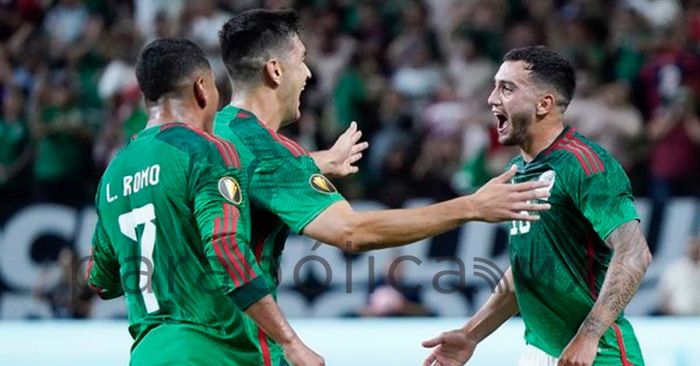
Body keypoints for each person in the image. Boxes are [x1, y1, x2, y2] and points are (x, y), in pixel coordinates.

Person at [215, 10, 551, 365]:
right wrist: (472, 206)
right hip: (237, 345)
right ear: (275, 70)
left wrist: (311, 163)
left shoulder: (216, 133)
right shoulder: (267, 150)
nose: (309, 73)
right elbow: (352, 231)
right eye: (302, 60)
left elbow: (245, 177)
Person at [86, 38, 322, 366]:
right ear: (202, 89)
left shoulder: (114, 170)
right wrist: (290, 342)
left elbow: (101, 279)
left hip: (147, 354)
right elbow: (225, 248)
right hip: (209, 352)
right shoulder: (205, 149)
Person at [422, 46, 652, 366]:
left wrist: (588, 336)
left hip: (597, 355)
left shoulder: (585, 164)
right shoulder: (520, 170)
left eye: (507, 88)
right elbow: (526, 270)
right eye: (494, 86)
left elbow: (635, 254)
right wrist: (471, 333)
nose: (491, 99)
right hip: (539, 352)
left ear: (544, 104)